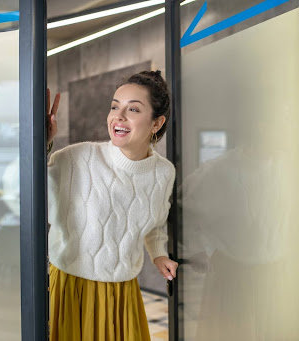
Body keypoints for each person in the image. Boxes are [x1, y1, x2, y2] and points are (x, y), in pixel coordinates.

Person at [46, 70, 178, 340]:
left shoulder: (164, 172)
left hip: (122, 290)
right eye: (115, 106)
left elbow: (156, 222)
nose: (118, 116)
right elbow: (32, 190)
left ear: (157, 123)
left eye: (133, 109)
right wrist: (43, 142)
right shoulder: (77, 157)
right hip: (71, 285)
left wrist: (158, 254)